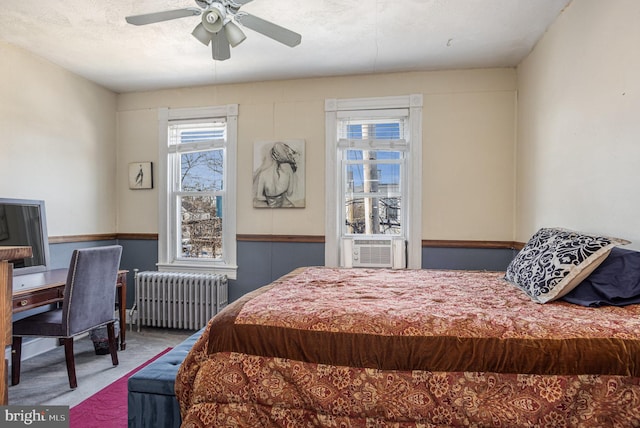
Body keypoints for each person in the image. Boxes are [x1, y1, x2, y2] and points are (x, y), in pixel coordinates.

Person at [253, 142, 299, 208]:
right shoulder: (288, 170)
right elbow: (289, 193)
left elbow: (259, 197)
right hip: (286, 206)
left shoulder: (263, 174)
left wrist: (271, 200)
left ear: (272, 155)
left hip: (271, 206)